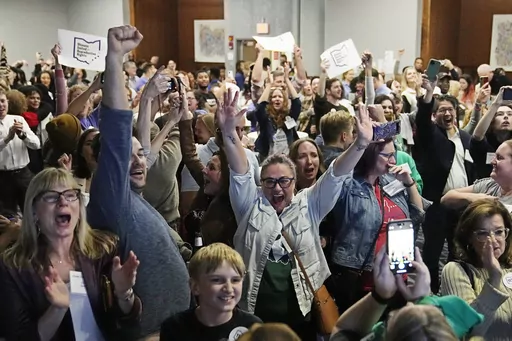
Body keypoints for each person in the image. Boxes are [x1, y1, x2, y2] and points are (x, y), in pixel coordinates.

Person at [218, 87, 374, 340]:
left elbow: (335, 175)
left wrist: (360, 144)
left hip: (301, 318)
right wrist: (228, 133)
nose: (277, 188)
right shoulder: (249, 204)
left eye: (284, 181)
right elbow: (240, 172)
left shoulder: (308, 203)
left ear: (294, 181)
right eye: (269, 182)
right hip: (254, 316)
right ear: (261, 183)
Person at [87, 25, 190, 339]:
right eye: (127, 157)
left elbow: (142, 146)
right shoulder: (113, 202)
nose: (138, 160)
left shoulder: (136, 199)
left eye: (141, 155)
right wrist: (115, 58)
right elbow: (118, 133)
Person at [0, 168, 142, 340]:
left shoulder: (105, 249)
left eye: (70, 195)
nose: (63, 202)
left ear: (79, 206)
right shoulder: (12, 267)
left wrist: (124, 293)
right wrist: (57, 309)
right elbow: (19, 337)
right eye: (51, 196)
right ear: (34, 211)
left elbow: (127, 324)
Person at [441, 199, 512, 340]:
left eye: (499, 232)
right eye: (483, 234)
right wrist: (494, 278)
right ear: (469, 239)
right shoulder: (455, 270)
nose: (493, 240)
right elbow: (469, 331)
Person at [160, 243, 262, 340]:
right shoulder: (174, 328)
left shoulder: (253, 328)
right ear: (195, 286)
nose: (229, 289)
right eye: (217, 280)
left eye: (235, 280)